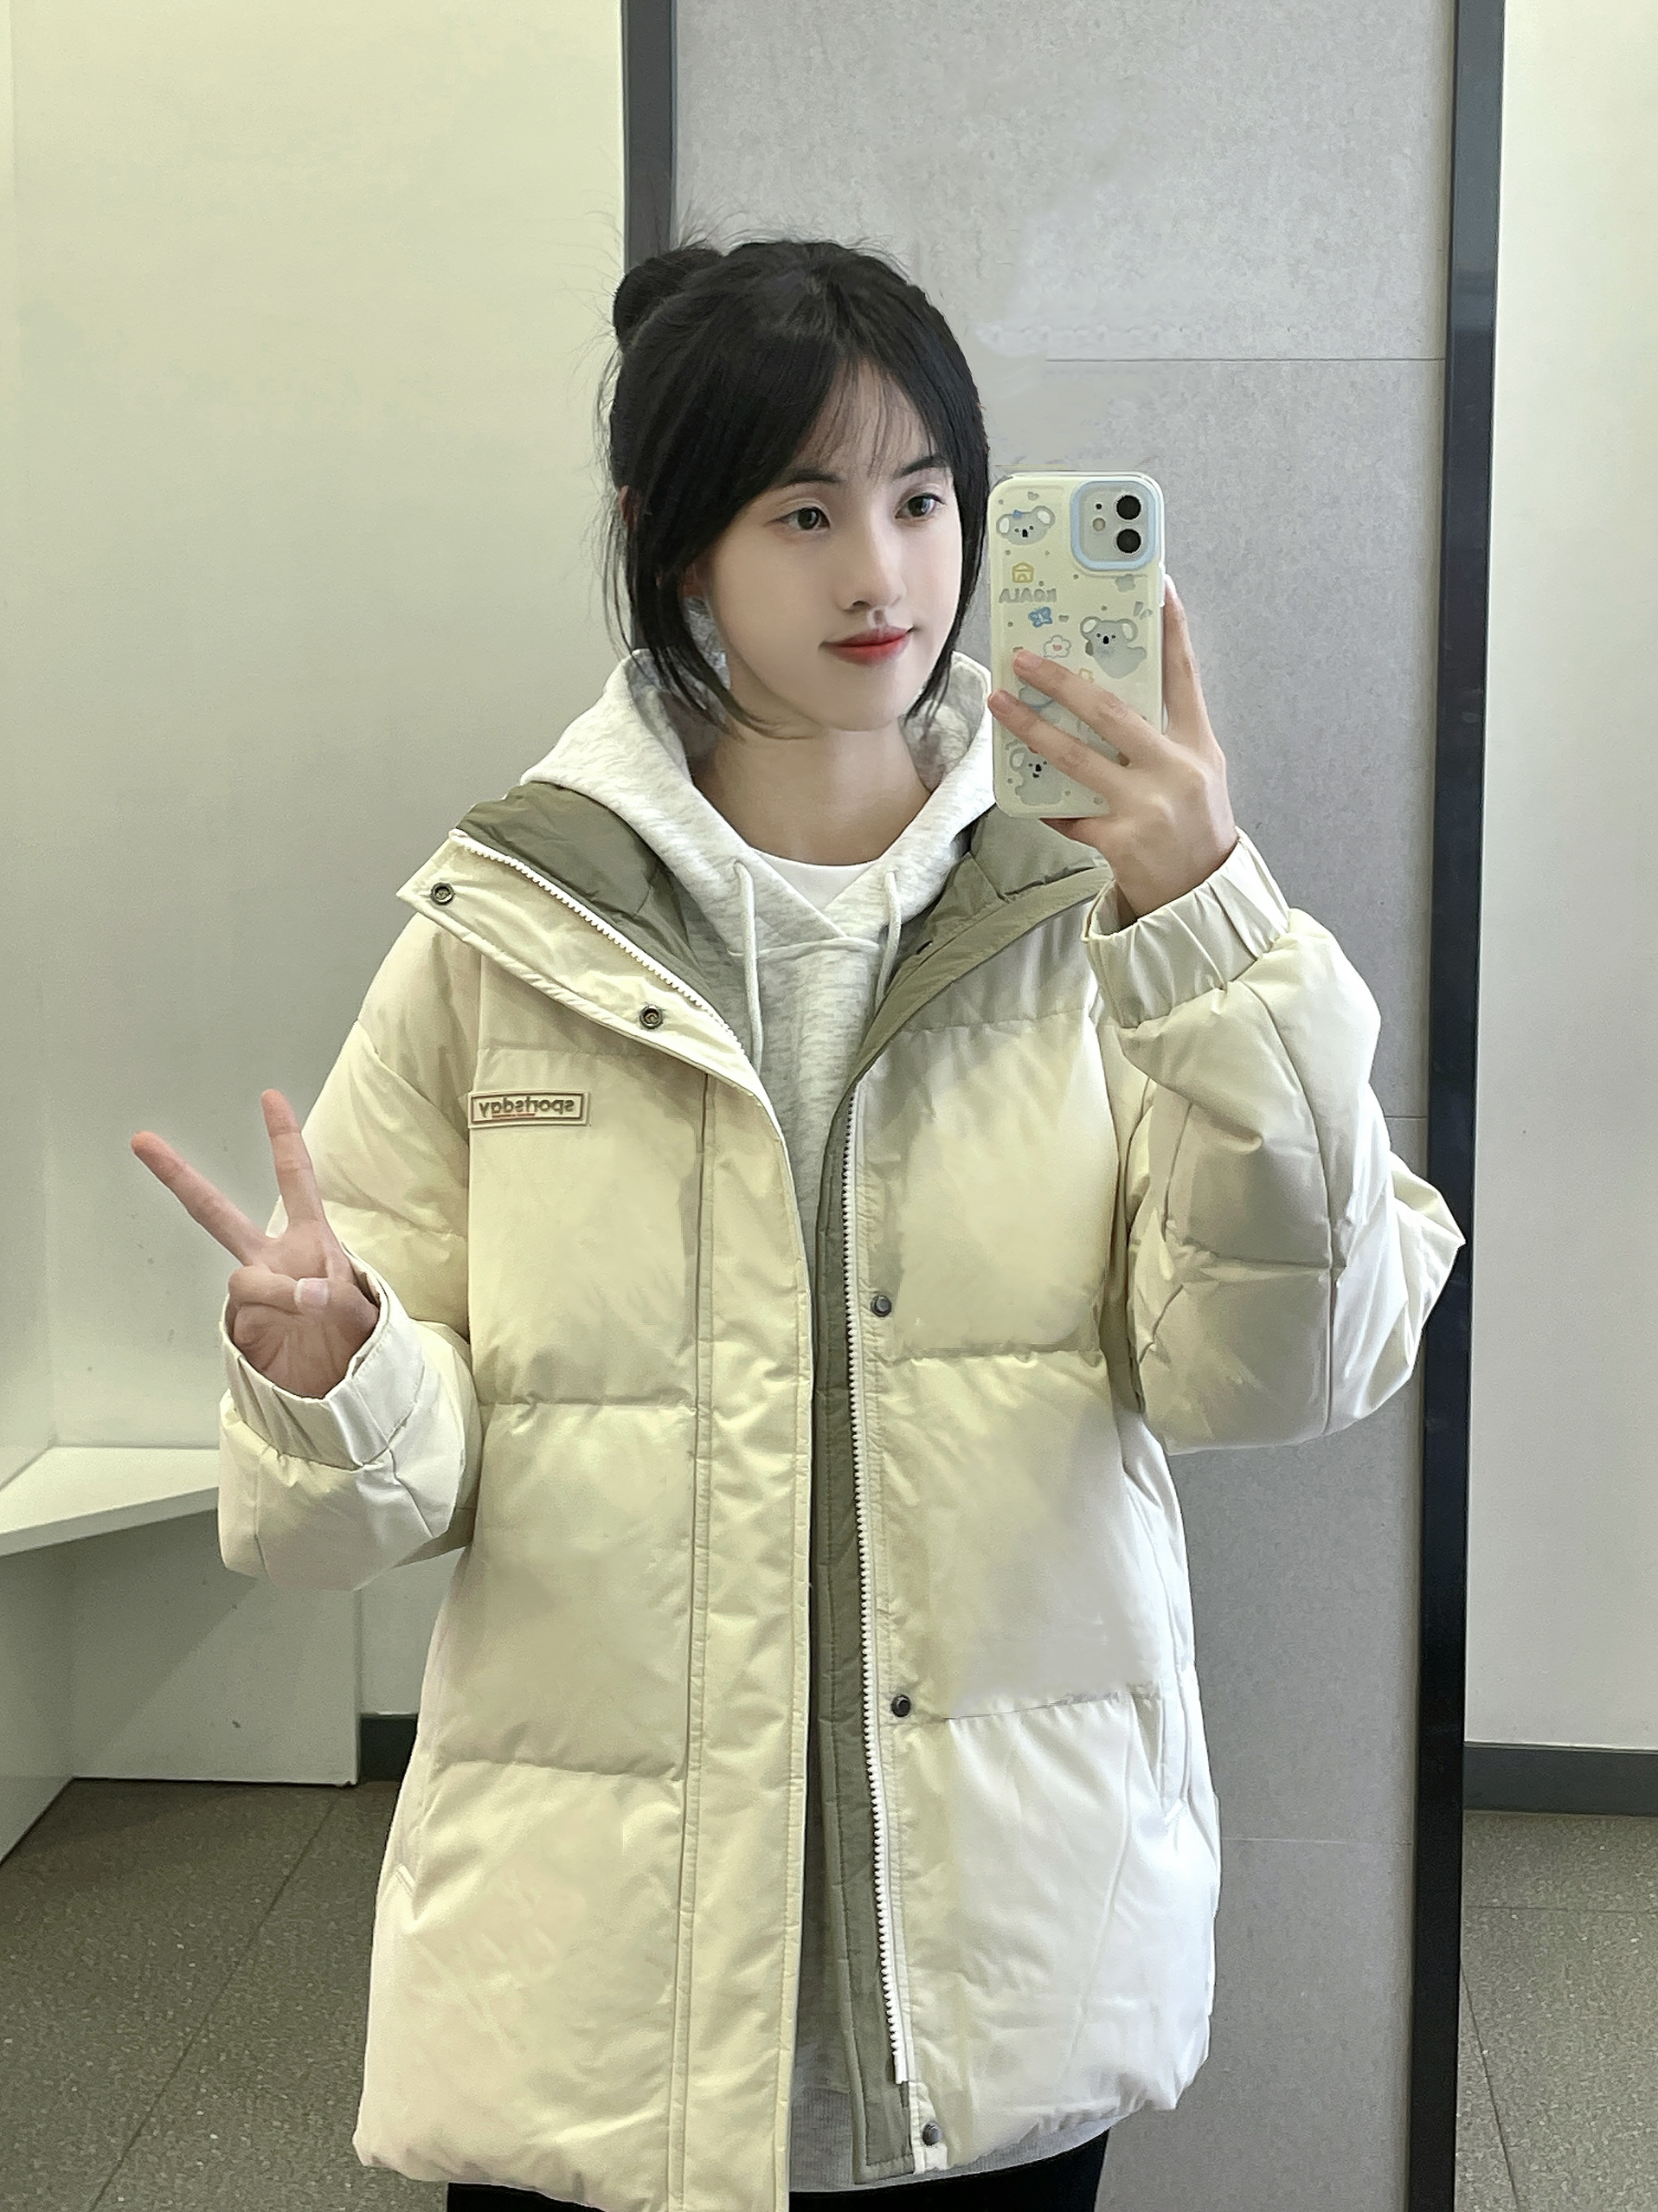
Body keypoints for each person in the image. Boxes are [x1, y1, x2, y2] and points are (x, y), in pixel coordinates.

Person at [130, 237, 1462, 2212]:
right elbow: (342, 1523)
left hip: (997, 1973)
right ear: (672, 546)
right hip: (597, 1999)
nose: (883, 574)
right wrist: (335, 1375)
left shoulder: (1109, 915)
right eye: (806, 511)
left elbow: (1276, 1374)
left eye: (923, 499)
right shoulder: (510, 928)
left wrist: (1213, 927)